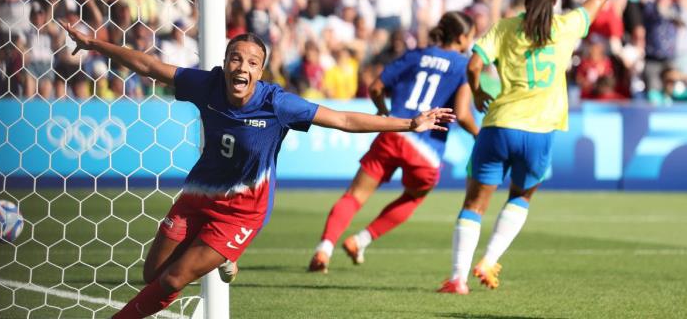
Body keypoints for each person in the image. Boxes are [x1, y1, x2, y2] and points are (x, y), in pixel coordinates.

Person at [61, 27, 455, 318]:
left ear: (261, 70)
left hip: (241, 214)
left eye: (251, 62)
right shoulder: (207, 84)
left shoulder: (278, 104)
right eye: (236, 58)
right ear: (225, 62)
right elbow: (149, 66)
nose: (241, 67)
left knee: (172, 280)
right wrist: (96, 45)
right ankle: (223, 259)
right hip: (197, 198)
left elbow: (345, 120)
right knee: (153, 275)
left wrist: (409, 123)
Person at [437, 0, 646, 294]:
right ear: (555, 1)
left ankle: (457, 278)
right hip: (539, 131)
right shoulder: (566, 27)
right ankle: (490, 259)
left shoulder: (504, 28)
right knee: (520, 197)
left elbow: (474, 63)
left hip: (499, 125)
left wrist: (477, 89)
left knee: (475, 202)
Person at [308, 12, 480, 273]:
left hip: (394, 132)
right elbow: (463, 113)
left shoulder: (416, 55)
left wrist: (383, 112)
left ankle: (324, 249)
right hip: (427, 148)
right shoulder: (462, 66)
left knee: (355, 196)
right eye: (471, 35)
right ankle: (360, 240)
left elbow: (376, 87)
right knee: (413, 197)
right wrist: (479, 135)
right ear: (461, 37)